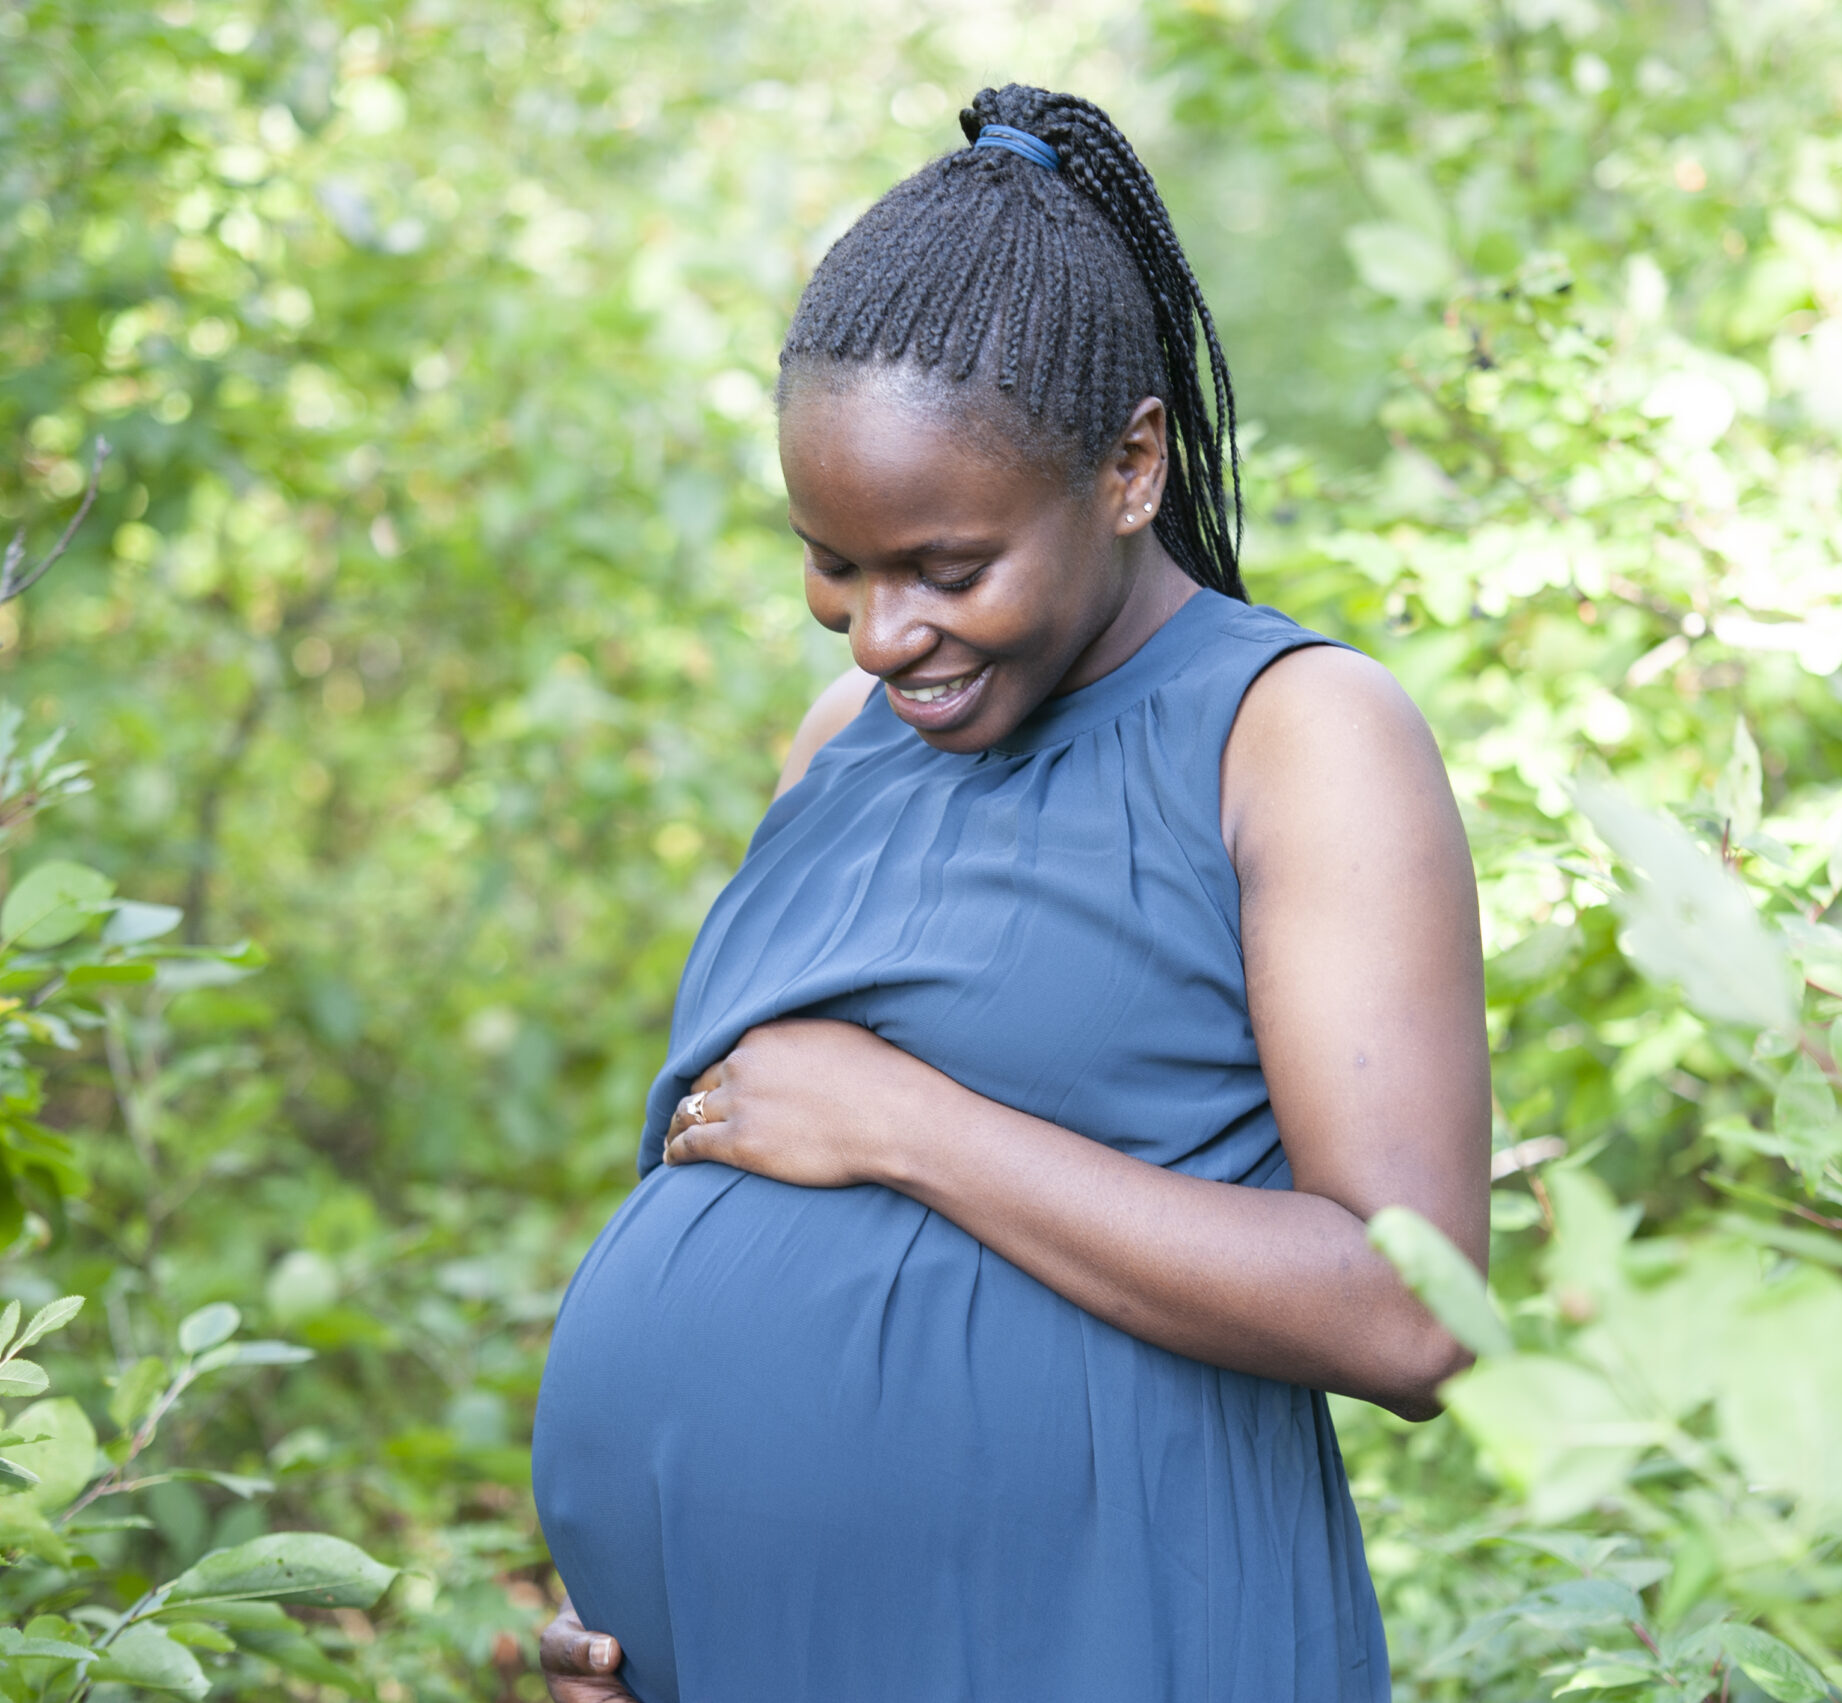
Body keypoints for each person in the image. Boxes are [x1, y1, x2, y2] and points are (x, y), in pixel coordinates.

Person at [527, 83, 1490, 1703]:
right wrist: (628, 1599)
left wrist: (909, 1125)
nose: (876, 633)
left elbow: (1408, 1313)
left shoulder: (1293, 733)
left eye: (945, 569)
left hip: (1103, 1634)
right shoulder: (843, 739)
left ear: (1127, 467)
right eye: (833, 561)